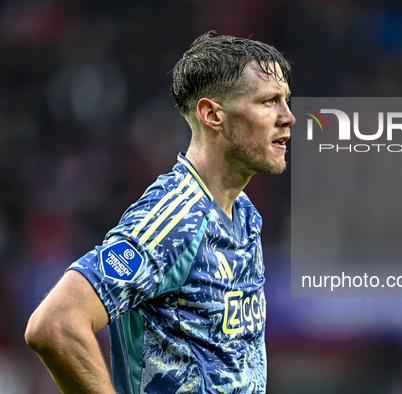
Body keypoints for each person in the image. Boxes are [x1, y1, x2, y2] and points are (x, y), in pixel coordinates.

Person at [24, 31, 295, 394]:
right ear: (212, 115)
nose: (288, 117)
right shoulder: (176, 218)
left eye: (286, 101)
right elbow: (55, 324)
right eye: (268, 102)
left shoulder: (244, 215)